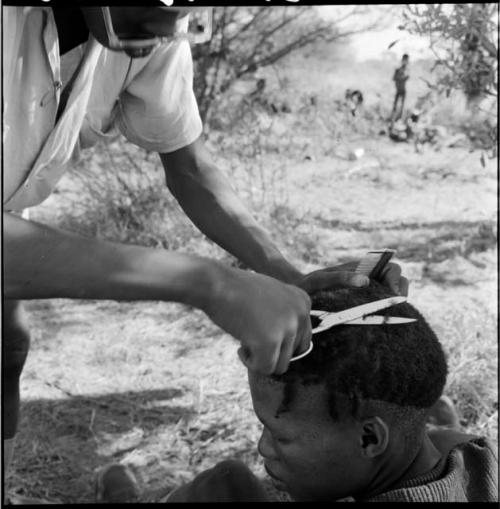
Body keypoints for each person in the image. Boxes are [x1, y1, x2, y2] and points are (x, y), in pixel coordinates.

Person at [3, 5, 409, 492]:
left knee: (8, 345)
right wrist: (210, 284)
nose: (163, 26)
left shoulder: (160, 24)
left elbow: (189, 167)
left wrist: (284, 273)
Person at [113, 282, 496, 502]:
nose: (263, 448)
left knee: (227, 486)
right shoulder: (483, 457)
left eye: (279, 434)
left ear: (369, 437)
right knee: (445, 438)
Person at [390, 53, 409, 124]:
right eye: (404, 60)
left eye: (406, 60)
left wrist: (403, 78)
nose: (405, 61)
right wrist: (401, 78)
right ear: (402, 60)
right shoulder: (398, 69)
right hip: (398, 90)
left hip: (403, 90)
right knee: (395, 105)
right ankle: (392, 119)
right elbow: (394, 78)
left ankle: (399, 120)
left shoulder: (407, 70)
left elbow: (407, 78)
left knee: (402, 106)